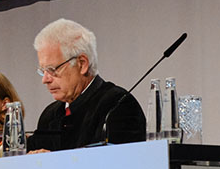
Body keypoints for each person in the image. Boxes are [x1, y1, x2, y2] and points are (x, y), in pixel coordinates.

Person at [27, 18, 145, 151]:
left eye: (52, 69)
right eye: (43, 71)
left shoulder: (117, 105)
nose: (45, 79)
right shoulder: (49, 116)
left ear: (82, 64)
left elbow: (120, 165)